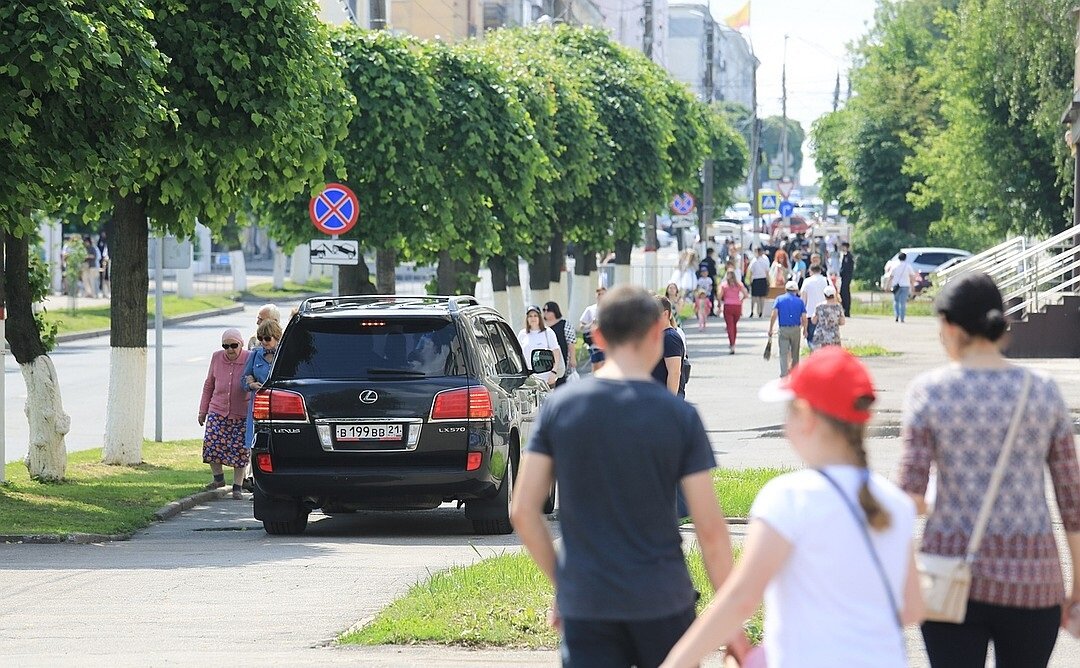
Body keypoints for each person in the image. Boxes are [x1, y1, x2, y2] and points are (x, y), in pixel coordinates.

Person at [511, 285, 738, 668]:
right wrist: (731, 626)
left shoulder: (560, 409)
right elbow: (711, 531)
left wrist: (565, 583)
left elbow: (522, 510)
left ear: (597, 338)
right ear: (656, 333)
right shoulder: (679, 416)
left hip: (588, 601)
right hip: (663, 598)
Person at [662, 347, 923, 668]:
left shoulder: (788, 498)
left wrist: (676, 662)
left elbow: (741, 600)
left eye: (788, 411)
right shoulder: (895, 503)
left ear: (807, 418)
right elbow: (912, 607)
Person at [897, 273, 1080, 668]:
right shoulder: (1042, 391)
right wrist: (1078, 585)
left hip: (949, 579)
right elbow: (1072, 500)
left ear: (949, 326)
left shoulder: (928, 391)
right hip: (1033, 582)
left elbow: (907, 499)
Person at [198, 329, 252, 500]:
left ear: (241, 344)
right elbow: (209, 385)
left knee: (240, 450)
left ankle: (238, 486)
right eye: (226, 346)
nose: (230, 349)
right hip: (217, 409)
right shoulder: (216, 357)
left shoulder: (249, 358)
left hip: (241, 412)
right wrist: (202, 410)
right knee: (211, 444)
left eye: (233, 345)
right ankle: (219, 479)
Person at [241, 319, 282, 453]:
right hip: (259, 406)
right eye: (260, 338)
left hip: (278, 405)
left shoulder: (283, 355)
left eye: (267, 338)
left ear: (276, 337)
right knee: (257, 445)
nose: (264, 342)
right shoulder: (255, 354)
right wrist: (251, 384)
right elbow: (244, 379)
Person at [768, 281, 807, 378]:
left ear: (786, 289)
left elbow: (774, 314)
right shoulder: (800, 301)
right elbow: (804, 317)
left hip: (783, 328)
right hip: (795, 329)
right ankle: (795, 373)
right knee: (795, 352)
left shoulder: (779, 299)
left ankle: (784, 373)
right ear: (796, 290)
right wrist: (805, 329)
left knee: (783, 352)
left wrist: (771, 328)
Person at [518, 305, 563, 386]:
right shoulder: (522, 334)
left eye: (535, 316)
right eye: (530, 316)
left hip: (546, 376)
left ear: (539, 317)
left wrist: (554, 371)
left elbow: (556, 352)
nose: (533, 318)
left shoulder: (548, 332)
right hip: (528, 377)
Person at [652, 297, 687, 398]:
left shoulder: (670, 337)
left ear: (666, 314)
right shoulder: (660, 335)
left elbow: (674, 373)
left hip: (665, 400)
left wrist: (669, 403)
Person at [543, 301, 576, 387]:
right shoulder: (543, 327)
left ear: (555, 311)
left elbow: (571, 342)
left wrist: (573, 358)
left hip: (563, 357)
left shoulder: (565, 324)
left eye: (548, 310)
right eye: (544, 310)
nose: (545, 312)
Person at [719, 270, 749, 355]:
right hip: (737, 306)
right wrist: (741, 300)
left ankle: (732, 344)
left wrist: (721, 301)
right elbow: (746, 294)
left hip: (728, 306)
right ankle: (733, 342)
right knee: (734, 326)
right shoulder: (739, 284)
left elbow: (720, 296)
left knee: (730, 326)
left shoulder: (724, 285)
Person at [800, 265, 830, 348]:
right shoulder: (825, 280)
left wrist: (801, 314)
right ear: (820, 271)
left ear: (810, 271)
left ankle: (814, 355)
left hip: (810, 312)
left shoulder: (807, 281)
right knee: (824, 338)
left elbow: (803, 298)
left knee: (811, 338)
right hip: (824, 313)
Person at [579, 287, 607, 372]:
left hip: (607, 341)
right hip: (593, 341)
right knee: (596, 365)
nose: (601, 296)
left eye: (603, 294)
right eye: (599, 294)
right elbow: (581, 326)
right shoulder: (590, 309)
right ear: (596, 295)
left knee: (605, 364)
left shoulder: (611, 308)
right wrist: (591, 324)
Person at [886, 252, 918, 323]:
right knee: (903, 302)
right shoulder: (908, 266)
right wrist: (912, 286)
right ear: (905, 258)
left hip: (896, 286)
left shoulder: (894, 266)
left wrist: (887, 285)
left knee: (896, 301)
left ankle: (897, 315)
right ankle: (902, 318)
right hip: (905, 285)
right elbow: (912, 276)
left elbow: (891, 276)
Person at [747, 247, 770, 318]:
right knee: (760, 297)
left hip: (757, 279)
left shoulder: (755, 260)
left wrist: (750, 280)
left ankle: (755, 311)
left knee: (756, 297)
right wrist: (768, 280)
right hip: (761, 279)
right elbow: (767, 271)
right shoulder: (764, 260)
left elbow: (750, 271)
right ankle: (759, 311)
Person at [840, 242, 856, 317]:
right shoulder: (845, 256)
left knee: (845, 292)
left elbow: (848, 268)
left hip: (847, 277)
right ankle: (844, 308)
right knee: (842, 292)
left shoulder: (849, 256)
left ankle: (847, 310)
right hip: (844, 277)